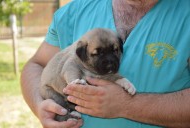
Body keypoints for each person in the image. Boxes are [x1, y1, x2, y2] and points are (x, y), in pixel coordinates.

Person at [20, 0, 190, 128]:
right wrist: (39, 104)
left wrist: (128, 106)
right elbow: (36, 65)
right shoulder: (73, 11)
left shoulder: (185, 13)